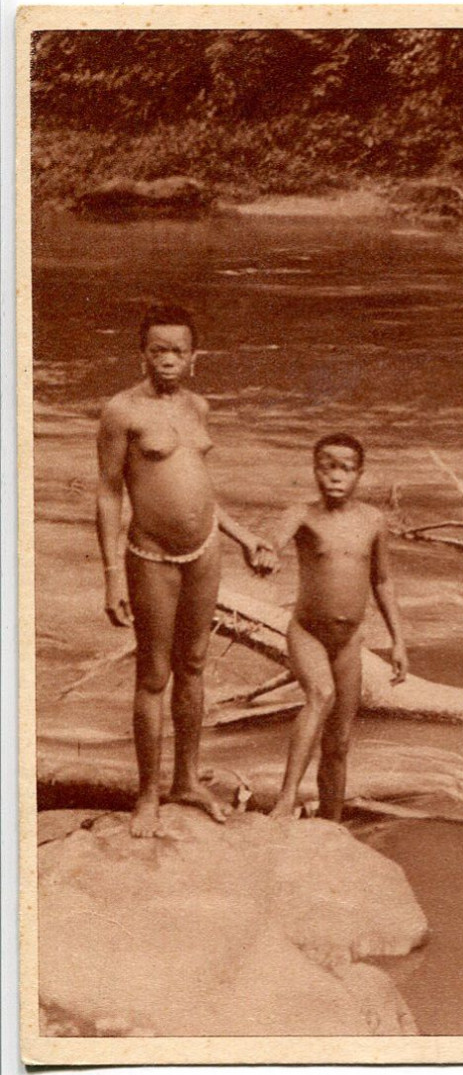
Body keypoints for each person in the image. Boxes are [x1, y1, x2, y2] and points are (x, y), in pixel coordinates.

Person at [96, 303, 275, 837]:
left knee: (194, 665)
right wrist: (109, 572)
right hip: (150, 556)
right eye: (158, 350)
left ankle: (187, 781)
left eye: (178, 351)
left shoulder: (199, 407)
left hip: (206, 551)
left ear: (194, 357)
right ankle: (147, 793)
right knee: (153, 675)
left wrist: (245, 538)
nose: (168, 360)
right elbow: (108, 494)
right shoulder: (121, 412)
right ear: (142, 354)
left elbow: (200, 490)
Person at [268, 433, 408, 822]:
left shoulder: (372, 521)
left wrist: (398, 641)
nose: (335, 476)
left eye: (346, 468)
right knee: (320, 694)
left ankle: (332, 821)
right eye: (327, 466)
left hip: (349, 642)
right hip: (307, 631)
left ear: (359, 474)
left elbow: (382, 581)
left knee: (340, 741)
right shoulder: (303, 514)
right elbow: (275, 541)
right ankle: (285, 801)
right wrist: (267, 554)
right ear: (314, 470)